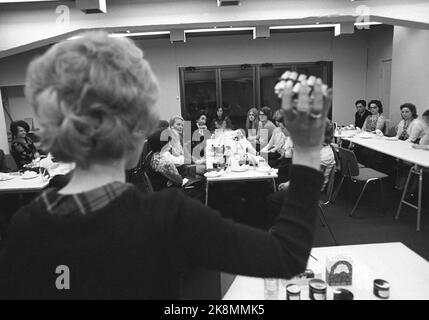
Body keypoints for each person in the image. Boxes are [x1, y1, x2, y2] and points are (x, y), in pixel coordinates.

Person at [0, 32, 331, 299]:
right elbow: (287, 254)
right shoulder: (168, 218)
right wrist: (307, 149)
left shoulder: (23, 225)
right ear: (136, 127)